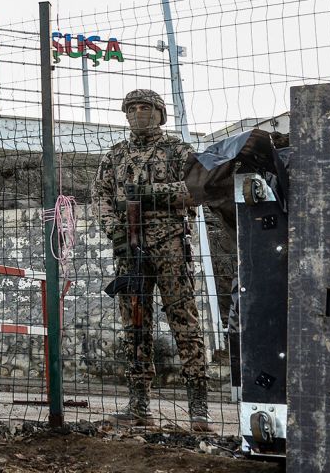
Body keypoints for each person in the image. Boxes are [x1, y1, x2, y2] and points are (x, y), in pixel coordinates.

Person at [91, 90, 213, 432]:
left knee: (183, 320)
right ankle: (139, 404)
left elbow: (196, 191)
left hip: (169, 245)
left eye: (145, 108)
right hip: (129, 248)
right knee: (135, 325)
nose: (138, 114)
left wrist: (150, 194)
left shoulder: (177, 150)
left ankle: (199, 409)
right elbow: (99, 196)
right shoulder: (115, 155)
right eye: (132, 108)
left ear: (159, 114)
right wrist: (115, 233)